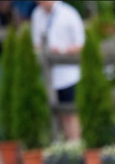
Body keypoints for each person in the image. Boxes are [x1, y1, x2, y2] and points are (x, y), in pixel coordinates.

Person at [31, 0, 85, 141]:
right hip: (49, 77)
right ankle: (66, 146)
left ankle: (76, 142)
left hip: (69, 74)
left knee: (72, 112)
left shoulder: (68, 13)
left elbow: (81, 44)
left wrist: (60, 51)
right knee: (59, 115)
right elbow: (36, 43)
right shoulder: (37, 15)